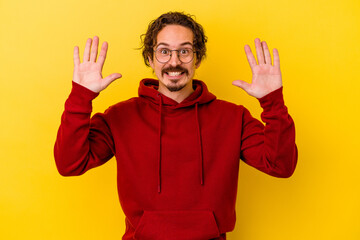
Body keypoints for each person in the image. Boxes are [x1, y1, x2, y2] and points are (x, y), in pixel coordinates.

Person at [54, 11, 297, 240]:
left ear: (198, 58)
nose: (174, 62)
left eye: (184, 52)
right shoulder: (119, 117)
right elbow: (69, 163)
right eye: (164, 51)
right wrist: (81, 96)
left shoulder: (233, 117)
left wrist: (272, 101)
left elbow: (281, 165)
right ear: (150, 58)